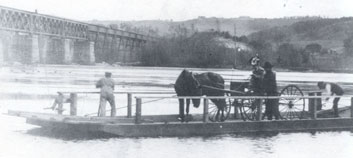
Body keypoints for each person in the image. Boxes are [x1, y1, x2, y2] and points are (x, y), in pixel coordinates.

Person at [248, 54, 265, 120]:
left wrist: (255, 76)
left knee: (258, 101)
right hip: (255, 88)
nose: (253, 67)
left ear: (258, 64)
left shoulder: (261, 70)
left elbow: (262, 78)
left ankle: (258, 117)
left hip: (261, 88)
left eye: (254, 66)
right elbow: (252, 80)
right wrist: (250, 87)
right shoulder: (254, 70)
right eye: (253, 66)